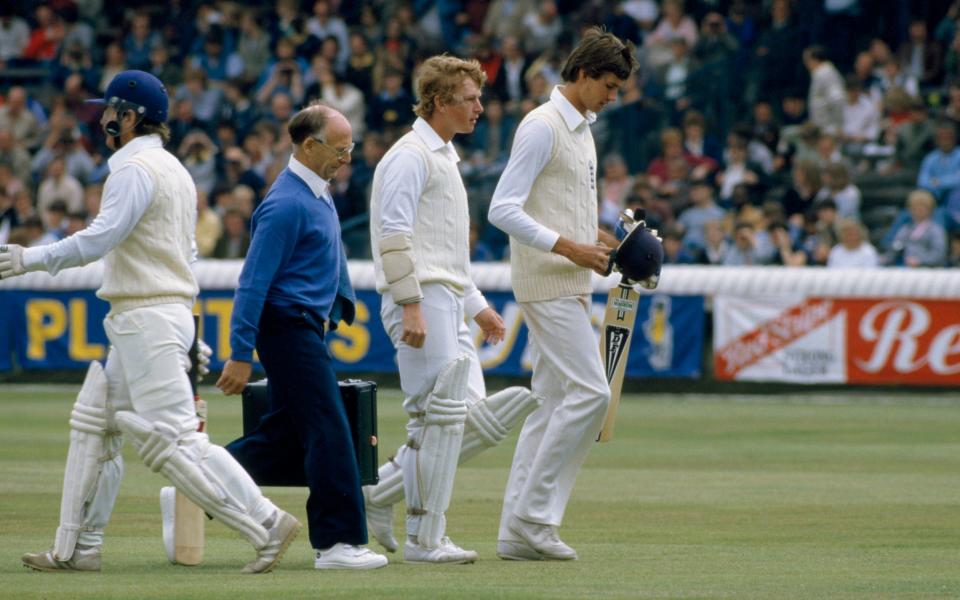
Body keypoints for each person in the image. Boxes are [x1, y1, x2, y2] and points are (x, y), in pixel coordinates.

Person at [6, 70, 298, 574]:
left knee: (177, 441)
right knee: (95, 424)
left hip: (146, 318)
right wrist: (187, 328)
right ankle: (79, 548)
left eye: (110, 112)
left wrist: (28, 259)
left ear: (132, 117)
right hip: (154, 317)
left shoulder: (134, 169)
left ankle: (267, 524)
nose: (102, 120)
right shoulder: (173, 169)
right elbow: (184, 253)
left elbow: (99, 238)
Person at [365, 54, 541, 564]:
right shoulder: (409, 156)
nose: (479, 108)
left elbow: (442, 248)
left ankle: (376, 495)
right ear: (439, 102)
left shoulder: (442, 154)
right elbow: (394, 238)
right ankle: (425, 540)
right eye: (469, 99)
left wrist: (477, 306)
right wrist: (412, 305)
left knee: (467, 424)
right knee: (436, 422)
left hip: (447, 301)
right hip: (421, 302)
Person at [487, 28, 638, 562]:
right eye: (609, 85)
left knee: (551, 404)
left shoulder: (582, 129)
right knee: (592, 396)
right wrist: (572, 249)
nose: (612, 96)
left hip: (569, 280)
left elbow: (564, 209)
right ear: (582, 73)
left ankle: (514, 533)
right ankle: (534, 517)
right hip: (547, 279)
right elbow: (502, 209)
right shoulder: (541, 126)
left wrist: (605, 243)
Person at [215, 104, 388, 570]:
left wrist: (337, 305)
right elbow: (253, 282)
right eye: (341, 148)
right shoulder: (286, 203)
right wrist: (239, 353)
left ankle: (199, 482)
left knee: (284, 437)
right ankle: (336, 544)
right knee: (331, 428)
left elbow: (328, 255)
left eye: (350, 147)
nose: (347, 157)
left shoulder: (316, 191)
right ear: (310, 146)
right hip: (287, 328)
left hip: (304, 325)